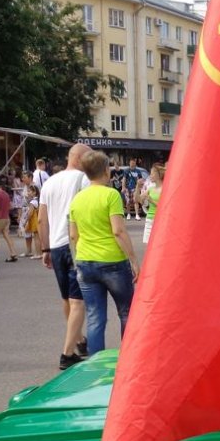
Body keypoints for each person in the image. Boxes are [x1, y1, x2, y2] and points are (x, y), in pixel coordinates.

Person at [69, 149, 141, 356]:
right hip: (113, 261)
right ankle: (129, 357)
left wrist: (80, 257)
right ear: (106, 171)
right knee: (126, 312)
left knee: (94, 316)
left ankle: (95, 363)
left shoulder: (77, 199)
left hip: (85, 260)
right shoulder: (111, 195)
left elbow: (74, 236)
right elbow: (118, 230)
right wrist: (133, 260)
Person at [39, 144, 91, 370]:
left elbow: (42, 219)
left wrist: (45, 249)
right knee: (78, 300)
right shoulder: (84, 180)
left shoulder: (50, 182)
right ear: (79, 158)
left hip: (57, 246)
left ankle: (79, 339)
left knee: (66, 299)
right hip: (75, 244)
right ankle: (67, 353)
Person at [0, 179, 17, 262]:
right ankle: (13, 252)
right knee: (6, 235)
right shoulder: (6, 194)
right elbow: (10, 206)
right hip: (6, 218)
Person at [140, 162, 163, 244]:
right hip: (149, 220)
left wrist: (151, 200)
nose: (150, 175)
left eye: (152, 173)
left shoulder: (165, 189)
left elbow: (165, 207)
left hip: (160, 220)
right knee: (148, 246)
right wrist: (137, 187)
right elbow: (138, 199)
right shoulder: (150, 188)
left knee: (158, 245)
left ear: (158, 174)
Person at [20, 184, 40, 259]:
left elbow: (30, 213)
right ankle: (39, 253)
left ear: (34, 192)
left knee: (36, 238)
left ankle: (38, 254)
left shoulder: (33, 202)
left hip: (34, 221)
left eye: (30, 191)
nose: (28, 193)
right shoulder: (38, 200)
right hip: (38, 220)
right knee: (38, 237)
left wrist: (25, 221)